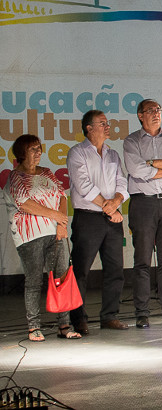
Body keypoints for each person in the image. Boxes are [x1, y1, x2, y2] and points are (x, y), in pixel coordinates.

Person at [4, 134, 81, 341]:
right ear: (21, 153)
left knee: (61, 277)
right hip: (30, 236)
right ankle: (34, 327)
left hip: (56, 233)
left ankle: (65, 325)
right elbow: (25, 203)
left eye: (39, 148)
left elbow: (62, 196)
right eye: (32, 149)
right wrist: (55, 215)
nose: (38, 152)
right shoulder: (15, 177)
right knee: (34, 280)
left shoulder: (47, 172)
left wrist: (61, 223)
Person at [123, 99, 162, 328]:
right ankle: (142, 312)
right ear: (140, 115)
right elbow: (135, 170)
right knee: (141, 261)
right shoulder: (132, 140)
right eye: (150, 111)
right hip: (143, 204)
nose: (156, 114)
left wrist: (151, 165)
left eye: (158, 110)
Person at [66, 110, 129, 333]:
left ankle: (109, 316)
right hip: (88, 218)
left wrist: (117, 202)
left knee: (115, 269)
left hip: (112, 218)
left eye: (107, 123)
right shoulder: (77, 153)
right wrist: (108, 206)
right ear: (88, 128)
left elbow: (122, 183)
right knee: (81, 270)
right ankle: (78, 318)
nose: (107, 126)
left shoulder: (113, 154)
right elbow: (84, 186)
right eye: (102, 123)